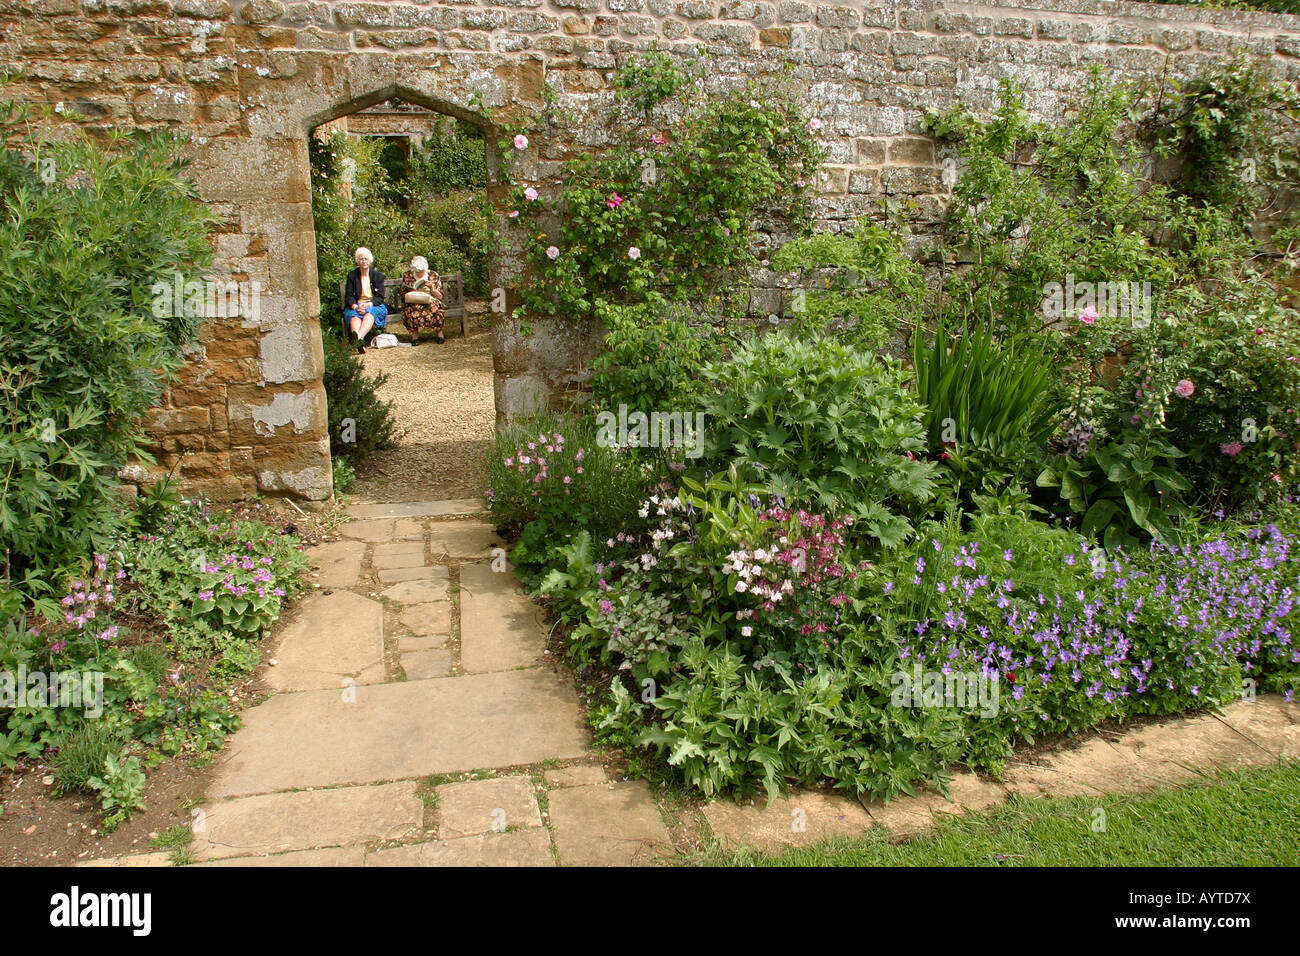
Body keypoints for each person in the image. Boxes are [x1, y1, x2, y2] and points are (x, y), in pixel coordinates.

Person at [343, 247, 388, 355]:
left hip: (373, 304)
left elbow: (380, 297)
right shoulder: (352, 276)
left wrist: (368, 304)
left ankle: (359, 339)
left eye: (366, 259)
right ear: (357, 261)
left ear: (370, 260)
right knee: (354, 316)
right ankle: (360, 342)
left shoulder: (378, 276)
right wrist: (355, 306)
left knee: (370, 314)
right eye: (361, 259)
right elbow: (349, 296)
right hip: (357, 305)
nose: (363, 261)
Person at [397, 255, 445, 345]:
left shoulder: (433, 275)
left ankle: (439, 334)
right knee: (411, 310)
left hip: (429, 299)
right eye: (417, 271)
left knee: (435, 308)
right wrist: (412, 291)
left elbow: (440, 296)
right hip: (413, 300)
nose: (419, 273)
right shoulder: (408, 275)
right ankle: (415, 337)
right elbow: (403, 293)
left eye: (421, 271)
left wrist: (432, 288)